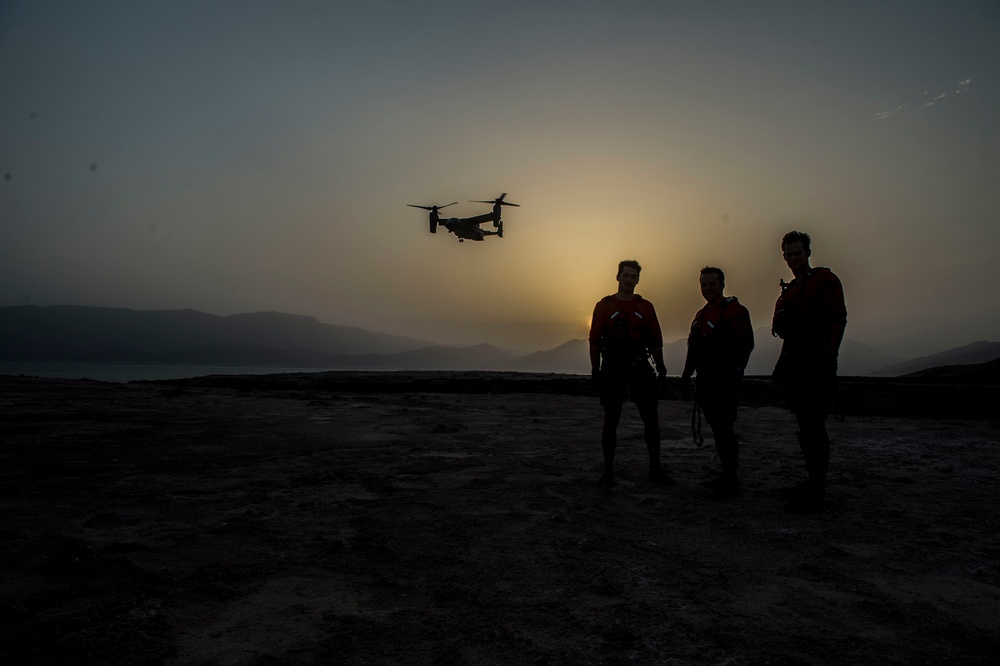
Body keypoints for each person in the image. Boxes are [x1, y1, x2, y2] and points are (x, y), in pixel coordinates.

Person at [771, 231, 847, 513]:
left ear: (807, 253)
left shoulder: (825, 281)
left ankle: (817, 489)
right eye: (788, 254)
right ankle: (813, 481)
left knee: (814, 426)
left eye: (797, 253)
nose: (793, 259)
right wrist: (780, 368)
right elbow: (788, 336)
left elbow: (839, 319)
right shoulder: (791, 289)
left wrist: (830, 357)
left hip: (816, 363)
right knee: (806, 424)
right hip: (796, 365)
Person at [589, 260, 670, 487]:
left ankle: (655, 469)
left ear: (637, 280)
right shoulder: (603, 306)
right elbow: (594, 341)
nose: (629, 280)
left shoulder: (646, 307)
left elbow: (656, 341)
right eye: (626, 275)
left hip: (639, 367)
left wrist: (661, 369)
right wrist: (595, 371)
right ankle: (608, 472)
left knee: (651, 420)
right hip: (613, 368)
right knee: (611, 420)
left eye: (633, 276)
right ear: (618, 277)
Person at [680, 267, 754, 498]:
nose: (708, 288)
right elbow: (693, 349)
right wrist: (685, 375)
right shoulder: (700, 316)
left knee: (724, 430)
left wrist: (736, 371)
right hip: (705, 382)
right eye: (704, 284)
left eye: (712, 284)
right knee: (718, 429)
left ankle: (731, 479)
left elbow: (747, 343)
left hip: (724, 382)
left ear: (722, 285)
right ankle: (726, 474)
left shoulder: (734, 311)